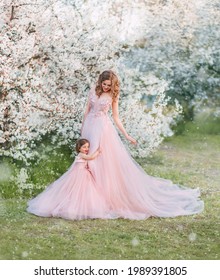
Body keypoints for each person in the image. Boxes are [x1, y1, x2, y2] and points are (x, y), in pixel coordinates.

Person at [81, 70, 204, 220]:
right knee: (87, 161)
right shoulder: (93, 91)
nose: (106, 87)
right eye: (104, 84)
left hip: (103, 129)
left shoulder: (113, 95)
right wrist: (82, 132)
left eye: (109, 85)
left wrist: (126, 135)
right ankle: (89, 195)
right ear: (100, 82)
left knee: (101, 161)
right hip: (89, 126)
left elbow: (116, 117)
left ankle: (105, 196)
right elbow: (87, 111)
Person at [27, 139, 110, 220]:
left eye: (88, 147)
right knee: (74, 191)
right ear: (79, 148)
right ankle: (72, 207)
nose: (86, 149)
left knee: (84, 191)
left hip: (83, 174)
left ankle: (84, 207)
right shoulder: (81, 154)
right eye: (84, 147)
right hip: (78, 175)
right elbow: (90, 157)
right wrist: (98, 151)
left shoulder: (82, 154)